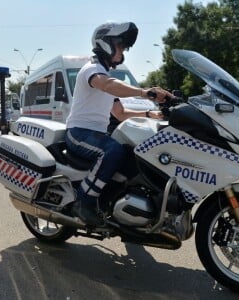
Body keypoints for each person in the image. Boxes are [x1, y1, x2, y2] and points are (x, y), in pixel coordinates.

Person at [65, 21, 172, 225]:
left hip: (96, 134)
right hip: (78, 133)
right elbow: (107, 85)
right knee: (112, 151)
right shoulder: (92, 69)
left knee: (132, 154)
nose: (123, 50)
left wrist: (152, 115)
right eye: (120, 44)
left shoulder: (107, 77)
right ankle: (84, 201)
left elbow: (120, 113)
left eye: (124, 46)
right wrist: (145, 92)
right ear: (105, 43)